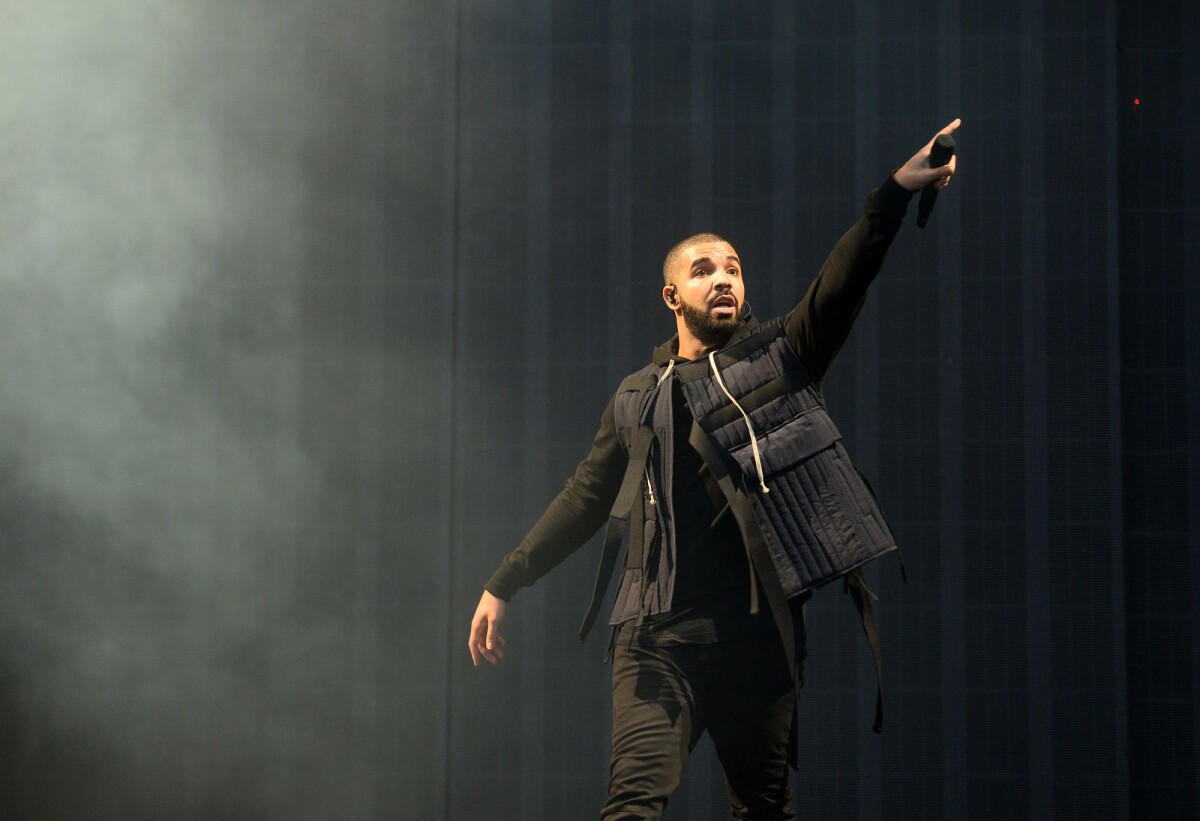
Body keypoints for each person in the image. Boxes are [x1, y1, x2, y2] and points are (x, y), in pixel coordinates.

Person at [469, 120, 961, 820]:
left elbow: (842, 283)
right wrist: (504, 580)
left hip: (759, 644)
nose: (724, 278)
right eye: (704, 270)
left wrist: (892, 195)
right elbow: (584, 498)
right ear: (673, 297)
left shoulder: (782, 356)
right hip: (654, 640)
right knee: (632, 804)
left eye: (732, 267)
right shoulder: (637, 394)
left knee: (764, 809)